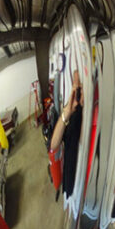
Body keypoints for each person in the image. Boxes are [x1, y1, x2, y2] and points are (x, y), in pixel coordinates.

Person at [50, 70, 83, 198]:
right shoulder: (70, 112)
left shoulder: (89, 113)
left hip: (81, 182)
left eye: (80, 87)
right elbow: (54, 145)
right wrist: (67, 112)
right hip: (70, 181)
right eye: (76, 87)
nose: (79, 91)